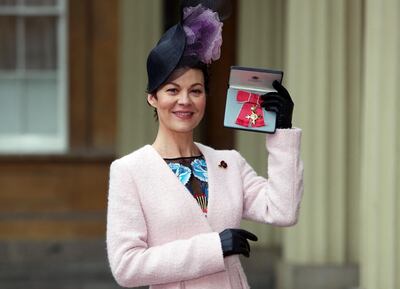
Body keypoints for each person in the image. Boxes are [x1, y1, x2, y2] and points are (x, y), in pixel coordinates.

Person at [106, 1, 303, 288]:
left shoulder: (229, 163)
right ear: (153, 97)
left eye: (195, 91)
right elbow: (127, 266)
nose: (184, 101)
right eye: (172, 90)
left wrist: (282, 132)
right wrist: (215, 247)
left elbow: (283, 210)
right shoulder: (130, 171)